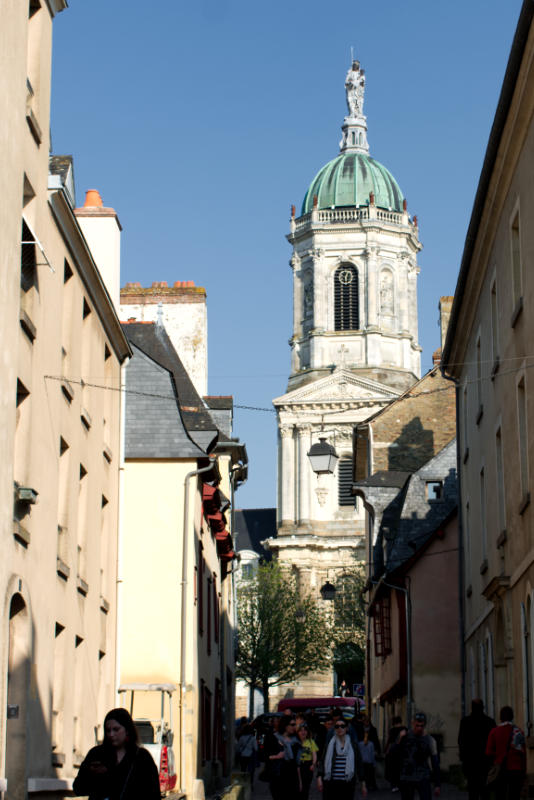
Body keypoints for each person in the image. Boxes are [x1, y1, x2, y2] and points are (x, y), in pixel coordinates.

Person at [73, 708, 160, 800]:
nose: (111, 734)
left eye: (116, 729)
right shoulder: (96, 754)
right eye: (108, 730)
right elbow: (78, 789)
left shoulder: (142, 757)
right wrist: (92, 775)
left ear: (127, 730)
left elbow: (154, 793)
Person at [394, 712, 440, 800]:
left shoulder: (430, 740)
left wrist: (437, 784)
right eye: (417, 725)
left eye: (421, 726)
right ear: (413, 724)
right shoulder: (404, 737)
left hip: (423, 776)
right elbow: (394, 754)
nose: (419, 728)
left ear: (424, 725)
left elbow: (435, 763)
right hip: (407, 776)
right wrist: (399, 739)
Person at [318, 717, 367, 800]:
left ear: (347, 728)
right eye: (337, 726)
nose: (339, 728)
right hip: (331, 784)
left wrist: (363, 784)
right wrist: (319, 777)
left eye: (342, 726)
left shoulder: (353, 745)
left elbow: (359, 764)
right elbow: (323, 761)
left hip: (347, 784)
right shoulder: (330, 745)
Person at [485, 705, 526, 800]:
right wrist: (523, 772)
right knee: (514, 795)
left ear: (500, 717)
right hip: (516, 770)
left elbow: (488, 753)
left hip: (500, 769)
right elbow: (523, 755)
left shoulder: (494, 732)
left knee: (500, 795)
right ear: (512, 716)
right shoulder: (518, 732)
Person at [457, 699, 495, 800]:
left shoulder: (465, 722)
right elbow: (493, 743)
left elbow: (461, 741)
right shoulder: (489, 722)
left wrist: (463, 758)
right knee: (485, 792)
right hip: (485, 762)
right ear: (483, 707)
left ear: (472, 707)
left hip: (471, 762)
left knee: (473, 792)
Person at [264, 716, 299, 800]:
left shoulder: (295, 739)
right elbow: (264, 755)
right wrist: (276, 756)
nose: (295, 727)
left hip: (292, 777)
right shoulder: (273, 737)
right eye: (292, 724)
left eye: (295, 725)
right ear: (285, 725)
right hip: (278, 776)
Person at [297, 723, 318, 800]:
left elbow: (314, 754)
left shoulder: (311, 741)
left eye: (305, 730)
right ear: (298, 732)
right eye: (301, 730)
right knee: (298, 787)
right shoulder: (295, 742)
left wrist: (313, 764)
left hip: (307, 766)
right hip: (298, 766)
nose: (303, 732)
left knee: (306, 787)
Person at [385, 716, 406, 792]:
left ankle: (394, 785)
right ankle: (401, 785)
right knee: (401, 769)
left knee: (393, 769)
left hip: (393, 753)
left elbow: (390, 742)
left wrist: (387, 751)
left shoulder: (392, 730)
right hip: (402, 752)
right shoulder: (405, 730)